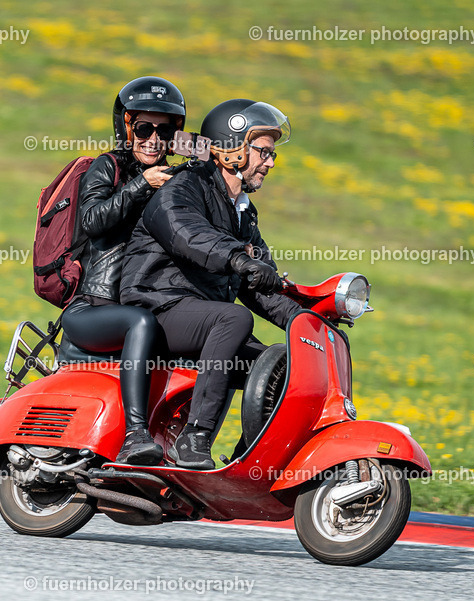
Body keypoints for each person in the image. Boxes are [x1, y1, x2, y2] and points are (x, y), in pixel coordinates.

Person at [119, 99, 301, 470]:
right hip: (157, 305)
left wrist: (307, 321)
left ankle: (246, 459)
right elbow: (190, 236)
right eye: (263, 152)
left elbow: (260, 283)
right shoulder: (182, 189)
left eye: (272, 155)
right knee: (233, 319)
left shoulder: (243, 212)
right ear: (232, 150)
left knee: (280, 366)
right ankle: (194, 437)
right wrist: (238, 257)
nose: (270, 162)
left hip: (201, 316)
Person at [61, 76, 186, 465]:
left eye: (163, 131)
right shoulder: (109, 167)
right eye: (144, 128)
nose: (153, 138)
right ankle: (135, 434)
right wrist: (139, 185)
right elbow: (92, 219)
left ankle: (185, 444)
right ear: (127, 127)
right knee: (142, 323)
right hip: (93, 309)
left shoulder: (176, 179)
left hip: (141, 305)